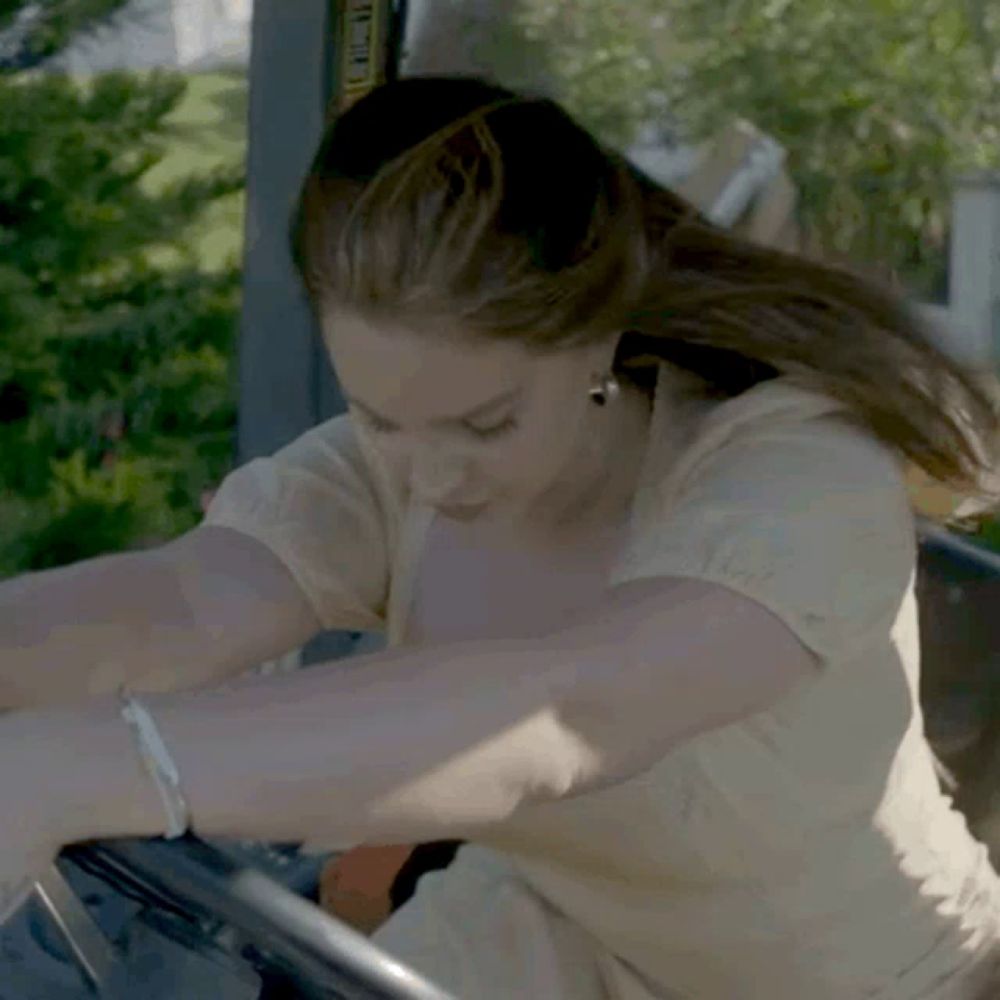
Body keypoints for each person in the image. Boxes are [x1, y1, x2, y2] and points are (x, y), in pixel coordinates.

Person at [2, 74, 1000, 999]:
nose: (428, 474)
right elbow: (185, 600)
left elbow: (573, 708)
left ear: (598, 335)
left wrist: (90, 765)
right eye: (379, 415)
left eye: (486, 424)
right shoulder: (385, 468)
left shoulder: (793, 474)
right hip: (551, 940)